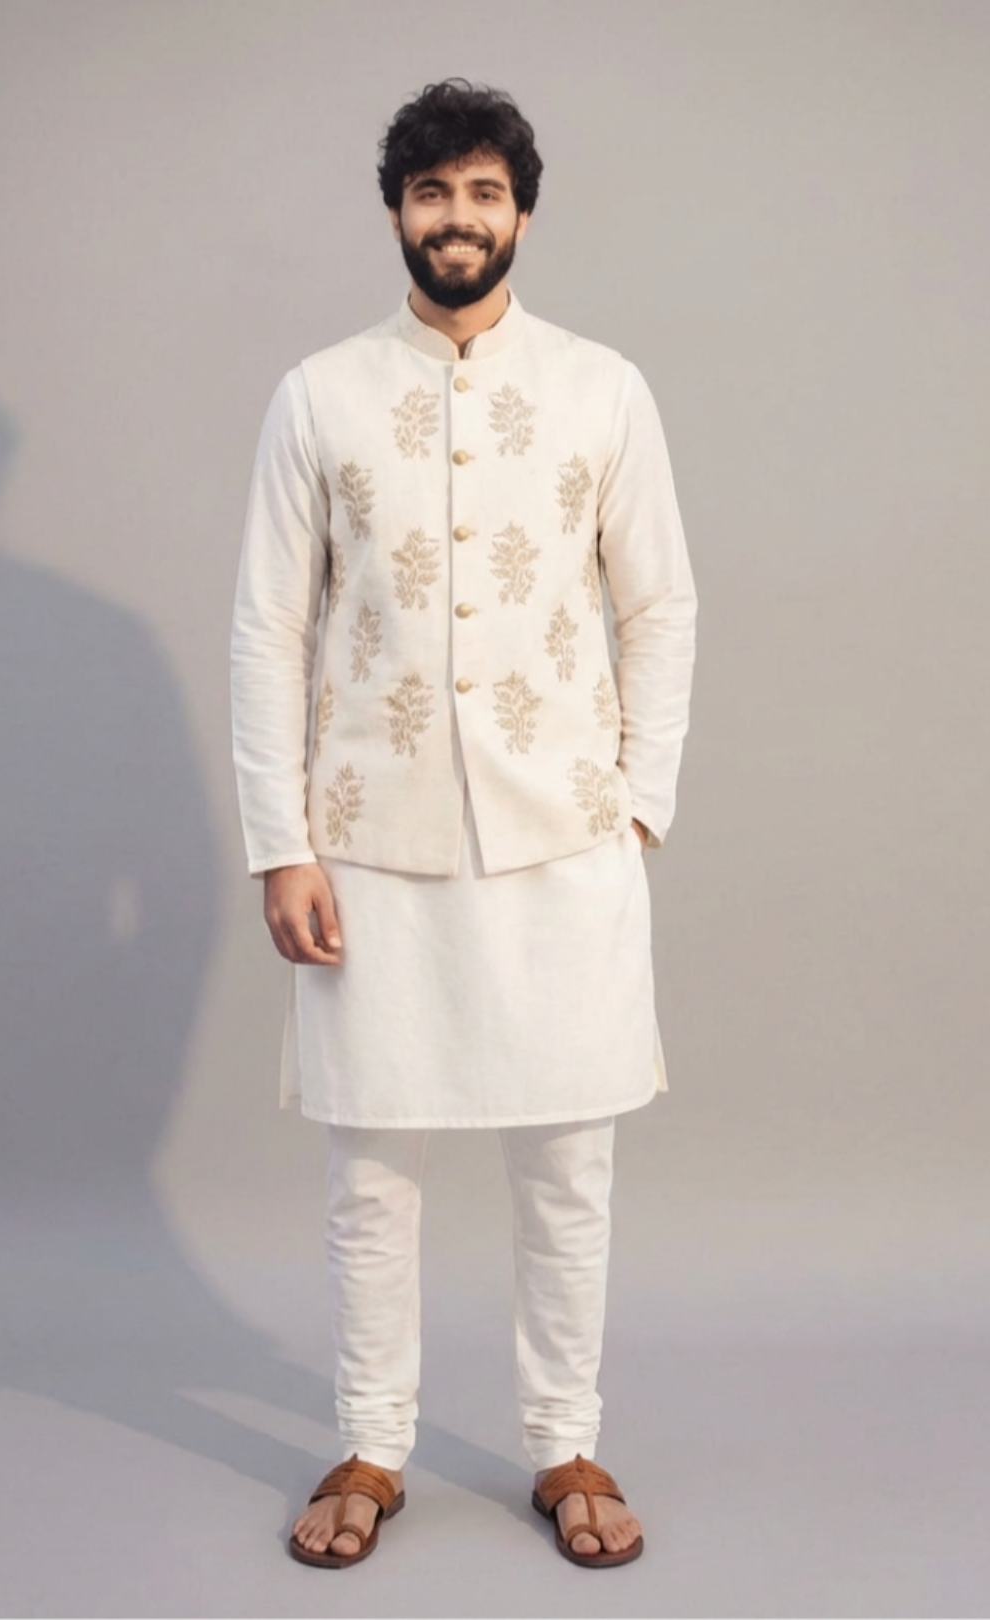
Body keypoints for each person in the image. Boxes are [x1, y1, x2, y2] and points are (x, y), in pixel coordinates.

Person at [230, 78, 697, 1570]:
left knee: (568, 1167)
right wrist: (281, 840)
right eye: (431, 192)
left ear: (522, 215)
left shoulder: (604, 389)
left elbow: (659, 603)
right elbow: (268, 625)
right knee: (371, 1172)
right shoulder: (319, 395)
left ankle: (565, 1442)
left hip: (565, 841)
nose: (457, 218)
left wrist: (638, 804)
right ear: (396, 212)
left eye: (483, 193)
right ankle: (373, 1442)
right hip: (372, 846)